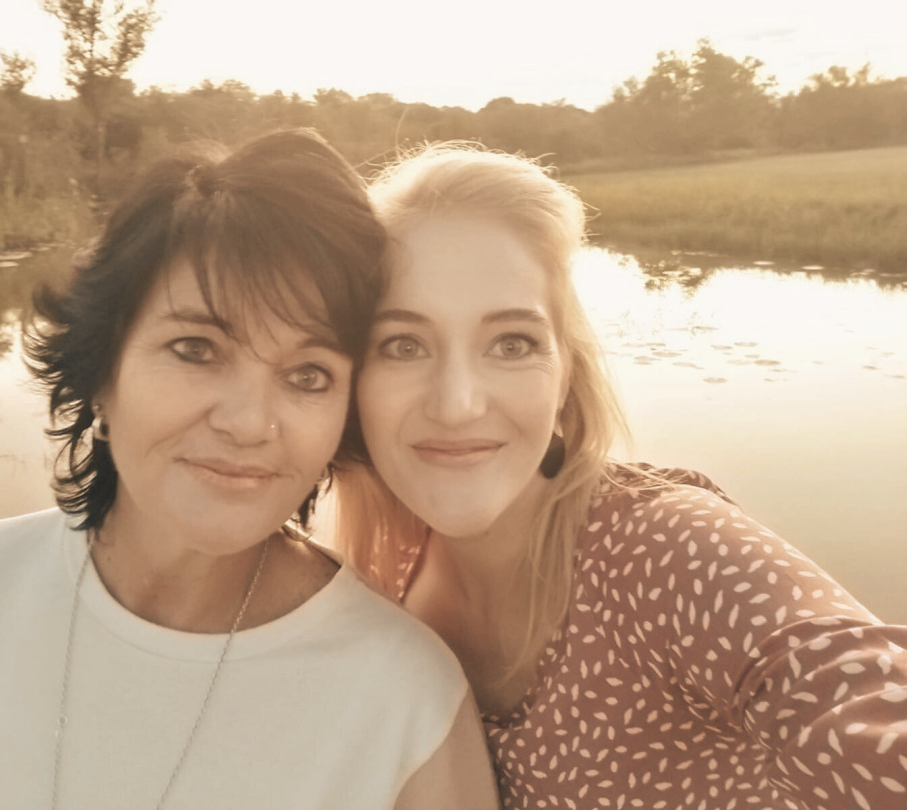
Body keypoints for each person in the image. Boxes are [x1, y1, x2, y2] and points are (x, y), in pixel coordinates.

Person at [0, 130, 499, 810]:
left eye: (308, 375)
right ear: (103, 369)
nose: (248, 422)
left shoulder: (407, 704)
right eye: (196, 349)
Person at [334, 144, 907, 810]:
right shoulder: (384, 569)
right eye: (402, 345)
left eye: (512, 343)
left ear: (565, 375)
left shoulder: (667, 549)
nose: (458, 403)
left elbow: (859, 698)